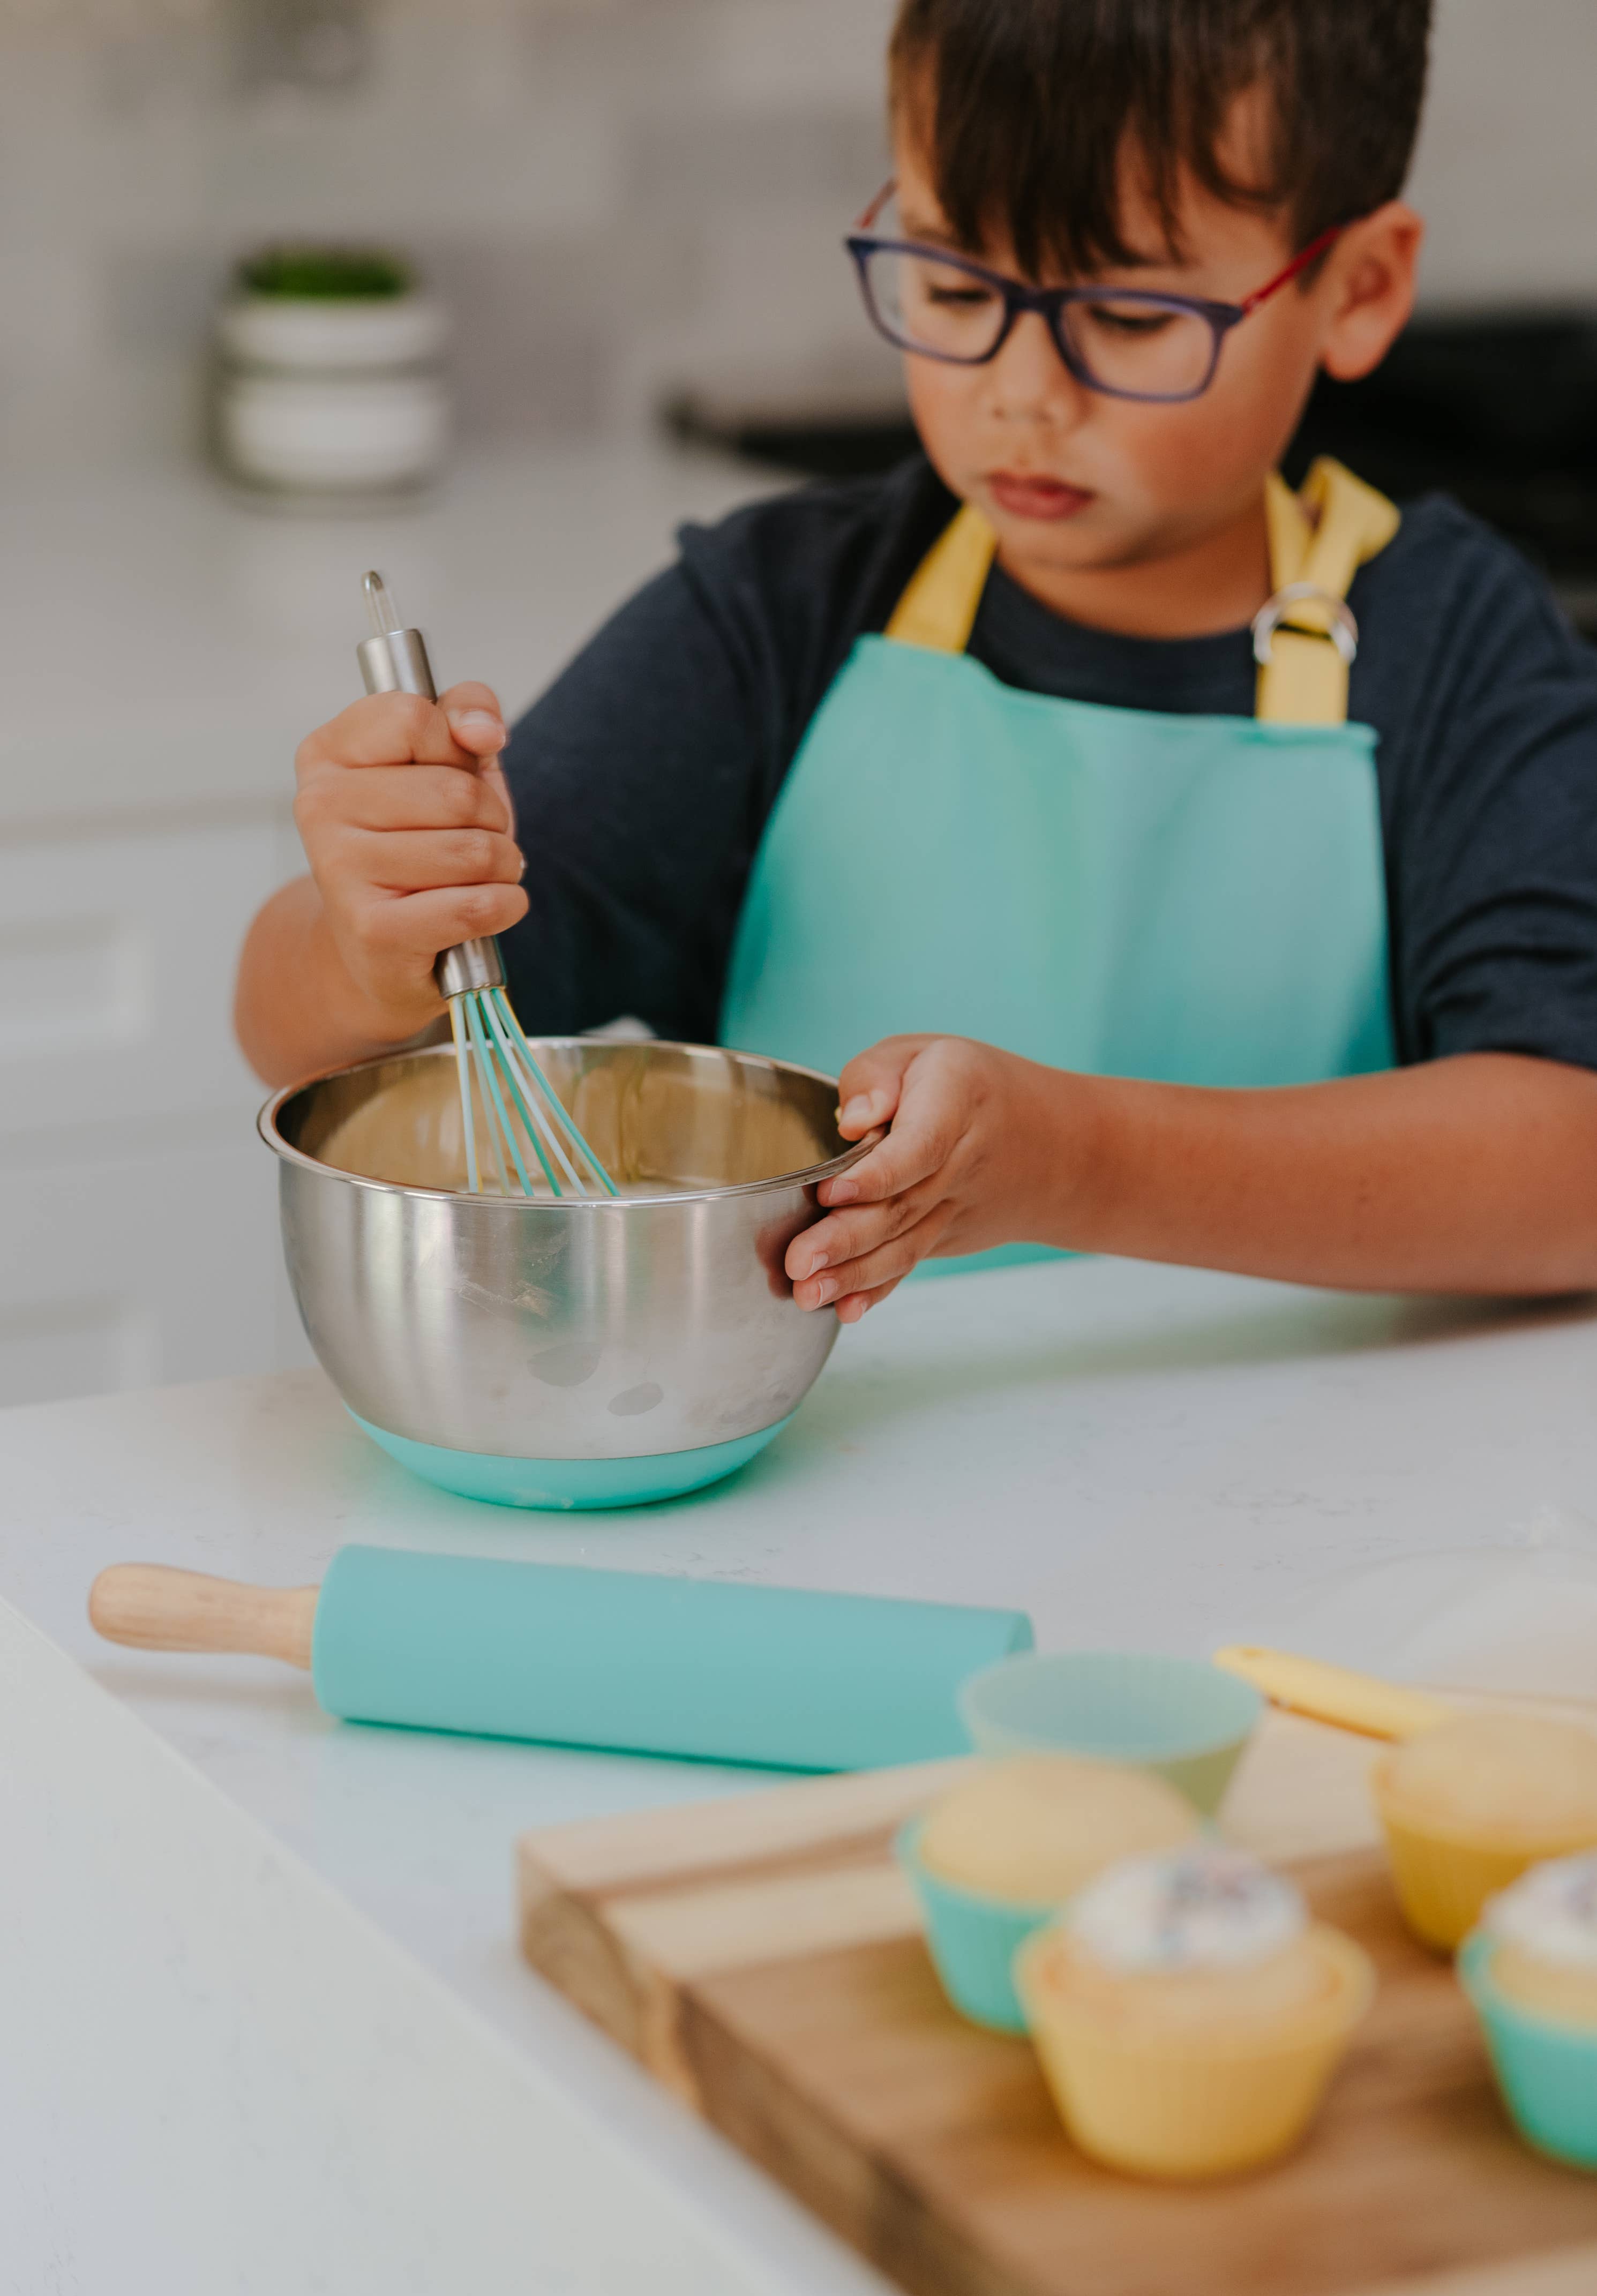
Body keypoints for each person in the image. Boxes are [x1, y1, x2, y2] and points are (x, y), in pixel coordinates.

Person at [236, 0, 1597, 1326]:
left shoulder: (1453, 643)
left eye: (1127, 317)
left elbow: (1573, 1164)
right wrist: (366, 938)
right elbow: (298, 1034)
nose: (1020, 393)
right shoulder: (778, 617)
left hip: (1329, 1522)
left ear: (1357, 289)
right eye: (954, 286)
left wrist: (1083, 1163)